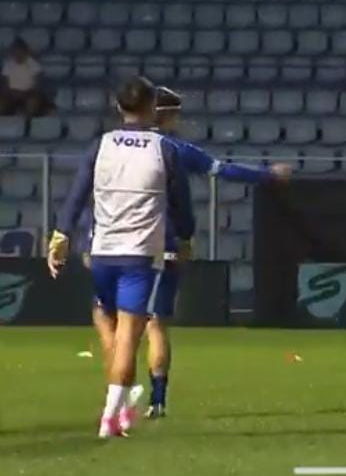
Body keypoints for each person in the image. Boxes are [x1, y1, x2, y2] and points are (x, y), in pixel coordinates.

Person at [48, 76, 195, 438]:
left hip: (102, 251)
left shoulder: (101, 145)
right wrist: (187, 236)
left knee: (104, 321)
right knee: (130, 333)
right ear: (151, 107)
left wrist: (61, 235)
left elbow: (77, 194)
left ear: (118, 107)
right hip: (140, 254)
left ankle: (120, 406)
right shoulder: (165, 148)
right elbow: (181, 204)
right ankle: (112, 417)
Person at [140, 86, 293, 418]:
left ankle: (117, 399)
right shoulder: (176, 149)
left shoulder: (113, 146)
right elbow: (223, 170)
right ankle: (157, 399)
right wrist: (267, 175)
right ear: (165, 114)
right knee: (155, 326)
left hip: (118, 245)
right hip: (162, 244)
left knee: (116, 322)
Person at [0, 37, 51, 116]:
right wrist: (11, 93)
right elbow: (4, 83)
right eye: (15, 52)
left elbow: (38, 84)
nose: (18, 55)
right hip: (12, 94)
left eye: (20, 52)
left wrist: (25, 93)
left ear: (25, 52)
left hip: (28, 94)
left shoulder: (33, 64)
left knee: (33, 103)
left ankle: (28, 124)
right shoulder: (8, 64)